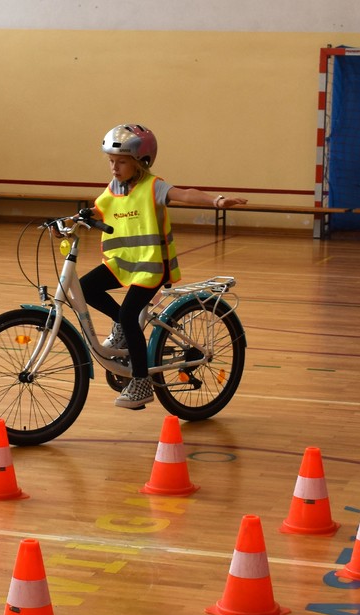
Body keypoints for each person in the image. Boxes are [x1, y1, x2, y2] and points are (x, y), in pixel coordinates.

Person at [82, 123, 247, 408]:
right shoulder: (115, 187)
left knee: (130, 314)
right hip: (123, 263)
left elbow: (185, 194)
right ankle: (121, 325)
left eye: (121, 162)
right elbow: (100, 209)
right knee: (85, 288)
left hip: (150, 267)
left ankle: (141, 382)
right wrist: (72, 220)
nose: (114, 168)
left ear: (140, 162)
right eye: (111, 161)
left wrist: (217, 201)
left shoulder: (153, 186)